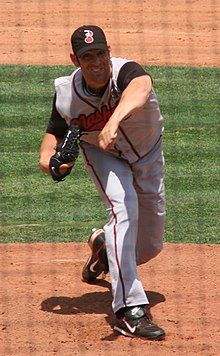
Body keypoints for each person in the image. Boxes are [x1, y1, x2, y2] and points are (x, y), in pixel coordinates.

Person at [39, 25, 166, 340]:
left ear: (109, 52)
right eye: (87, 56)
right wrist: (53, 165)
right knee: (124, 210)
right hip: (103, 156)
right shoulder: (67, 93)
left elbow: (141, 87)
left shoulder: (126, 71)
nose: (96, 62)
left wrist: (114, 119)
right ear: (75, 59)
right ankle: (129, 310)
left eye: (100, 53)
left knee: (149, 246)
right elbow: (52, 137)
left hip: (147, 156)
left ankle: (104, 250)